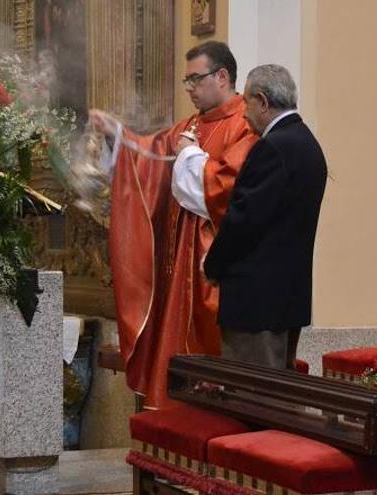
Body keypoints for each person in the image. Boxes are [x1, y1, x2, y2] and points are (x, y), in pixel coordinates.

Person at [88, 41, 257, 408]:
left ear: (223, 76)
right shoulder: (192, 124)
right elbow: (148, 156)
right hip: (179, 259)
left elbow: (228, 190)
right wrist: (117, 135)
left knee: (211, 360)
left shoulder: (246, 124)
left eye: (196, 80)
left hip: (211, 265)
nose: (191, 89)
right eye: (187, 82)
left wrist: (190, 157)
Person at [204, 64, 327, 369]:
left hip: (255, 306)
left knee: (251, 400)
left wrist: (212, 264)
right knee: (278, 402)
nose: (243, 113)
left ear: (263, 101)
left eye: (246, 102)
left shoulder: (272, 148)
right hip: (287, 300)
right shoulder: (308, 144)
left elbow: (243, 221)